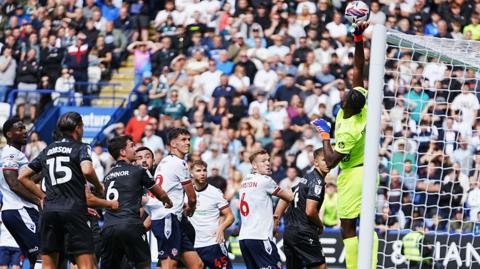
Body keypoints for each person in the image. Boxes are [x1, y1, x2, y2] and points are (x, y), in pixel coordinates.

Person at [312, 22, 378, 269]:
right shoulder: (361, 103)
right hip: (369, 170)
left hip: (353, 174)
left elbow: (329, 162)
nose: (344, 96)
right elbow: (358, 67)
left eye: (346, 98)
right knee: (368, 222)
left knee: (348, 226)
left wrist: (324, 135)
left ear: (350, 106)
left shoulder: (351, 129)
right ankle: (369, 264)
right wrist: (359, 38)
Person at [19, 112, 105, 269]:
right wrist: (99, 187)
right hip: (73, 210)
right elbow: (87, 170)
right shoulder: (81, 147)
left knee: (49, 265)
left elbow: (23, 177)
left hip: (49, 211)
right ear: (78, 128)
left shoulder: (48, 149)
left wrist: (41, 196)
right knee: (86, 264)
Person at [100, 135, 172, 269]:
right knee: (144, 265)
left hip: (108, 228)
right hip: (130, 225)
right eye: (132, 146)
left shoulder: (107, 176)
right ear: (122, 152)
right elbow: (160, 193)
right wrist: (168, 201)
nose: (135, 149)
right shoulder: (139, 171)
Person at [145, 128, 203, 269]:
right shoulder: (178, 163)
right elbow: (192, 197)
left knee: (197, 265)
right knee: (170, 264)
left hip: (168, 218)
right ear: (173, 144)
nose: (188, 143)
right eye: (183, 140)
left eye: (189, 139)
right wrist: (191, 208)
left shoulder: (165, 162)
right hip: (167, 218)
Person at [274, 149, 329, 269]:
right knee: (320, 266)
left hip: (289, 232)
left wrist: (276, 219)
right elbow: (310, 211)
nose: (328, 163)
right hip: (304, 233)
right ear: (315, 162)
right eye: (324, 160)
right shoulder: (317, 181)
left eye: (329, 159)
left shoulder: (306, 178)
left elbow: (286, 196)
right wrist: (320, 225)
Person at [238, 149, 293, 269]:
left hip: (244, 238)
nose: (268, 163)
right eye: (263, 161)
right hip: (260, 237)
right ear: (254, 165)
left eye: (268, 160)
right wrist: (294, 190)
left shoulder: (245, 181)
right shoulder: (265, 180)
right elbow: (289, 197)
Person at [0, 118, 41, 269]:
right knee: (42, 253)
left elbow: (26, 180)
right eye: (20, 129)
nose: (25, 131)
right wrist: (38, 199)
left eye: (25, 128)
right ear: (9, 134)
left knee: (32, 256)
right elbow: (14, 183)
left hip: (16, 210)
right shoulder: (10, 153)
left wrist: (44, 169)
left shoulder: (17, 154)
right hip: (20, 209)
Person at [189, 160, 234, 269]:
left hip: (214, 244)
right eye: (198, 171)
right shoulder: (187, 193)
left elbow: (230, 216)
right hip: (193, 246)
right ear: (191, 173)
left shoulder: (215, 192)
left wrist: (221, 228)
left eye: (204, 170)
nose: (202, 173)